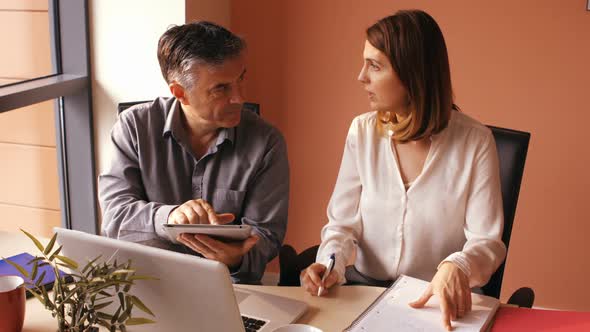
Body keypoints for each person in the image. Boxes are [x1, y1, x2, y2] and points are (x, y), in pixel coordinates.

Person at [300, 9, 506, 331]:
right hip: (363, 292)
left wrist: (459, 265)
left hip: (434, 303)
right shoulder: (362, 132)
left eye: (375, 65)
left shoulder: (476, 142)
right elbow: (342, 225)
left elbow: (487, 242)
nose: (361, 77)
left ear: (414, 76)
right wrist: (329, 264)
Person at [98, 21, 290, 284]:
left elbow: (267, 235)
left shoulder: (267, 141)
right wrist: (169, 217)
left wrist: (235, 258)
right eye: (221, 88)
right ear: (180, 92)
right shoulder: (133, 128)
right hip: (147, 287)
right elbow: (115, 217)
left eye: (240, 80)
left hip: (226, 288)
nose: (239, 97)